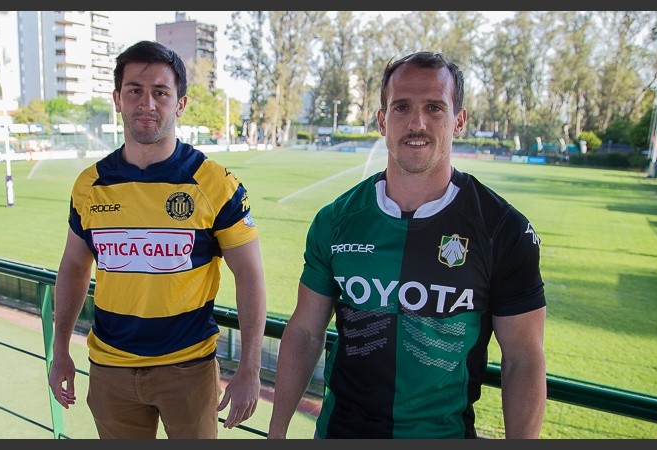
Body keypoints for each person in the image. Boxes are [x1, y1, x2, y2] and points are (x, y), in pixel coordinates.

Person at [267, 51, 547, 439]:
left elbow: (523, 359)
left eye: (435, 107)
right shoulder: (335, 221)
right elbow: (305, 332)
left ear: (459, 120)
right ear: (383, 121)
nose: (417, 123)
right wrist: (277, 431)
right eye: (402, 107)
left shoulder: (504, 229)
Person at [47, 40, 267, 439]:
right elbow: (74, 266)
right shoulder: (90, 185)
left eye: (161, 92)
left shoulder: (216, 184)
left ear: (180, 104)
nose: (147, 103)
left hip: (189, 371)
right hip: (110, 370)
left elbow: (250, 275)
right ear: (118, 99)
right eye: (135, 90)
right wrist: (60, 348)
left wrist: (250, 368)